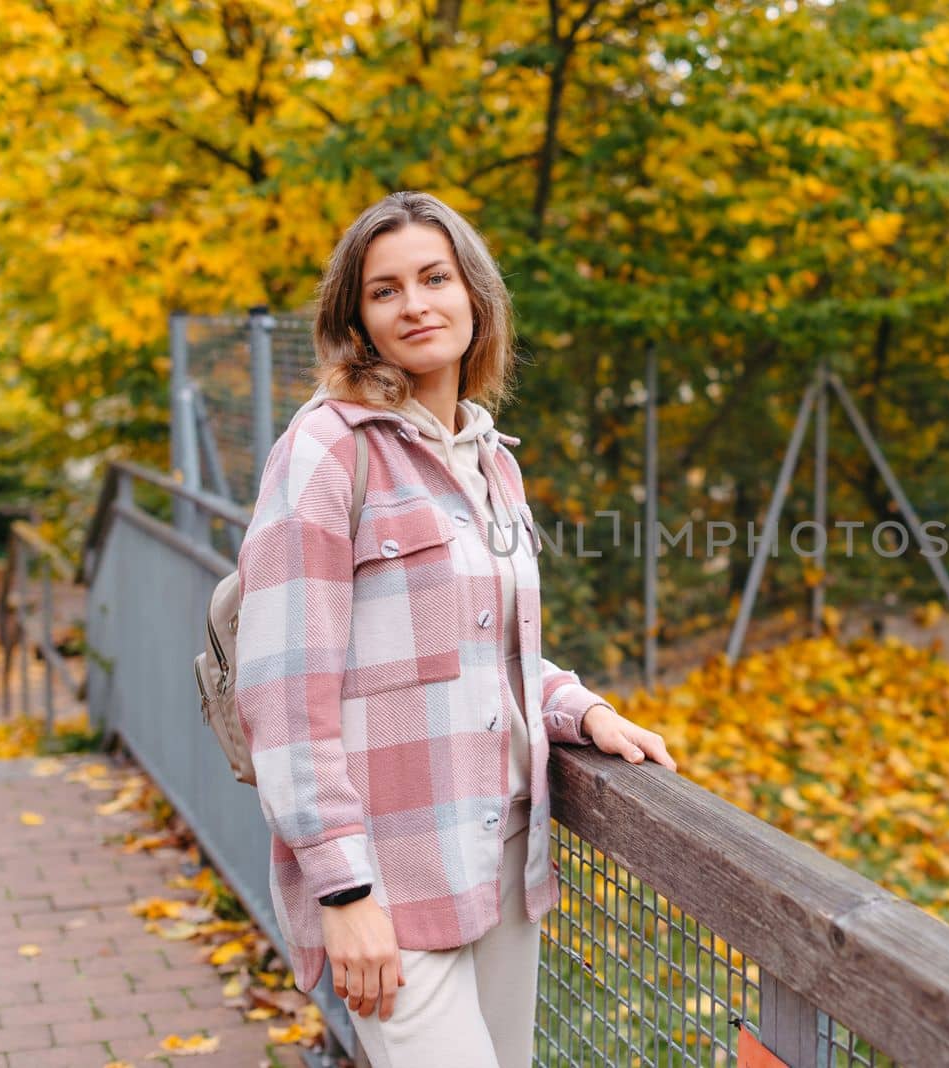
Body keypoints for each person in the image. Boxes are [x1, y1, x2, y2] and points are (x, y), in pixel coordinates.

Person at [234, 190, 676, 1068]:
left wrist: (580, 710)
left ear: (474, 296)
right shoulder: (328, 448)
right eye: (385, 289)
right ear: (357, 317)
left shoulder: (492, 461)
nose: (416, 305)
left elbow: (488, 644)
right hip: (392, 874)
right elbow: (283, 689)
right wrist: (343, 887)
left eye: (434, 278)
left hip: (506, 858)